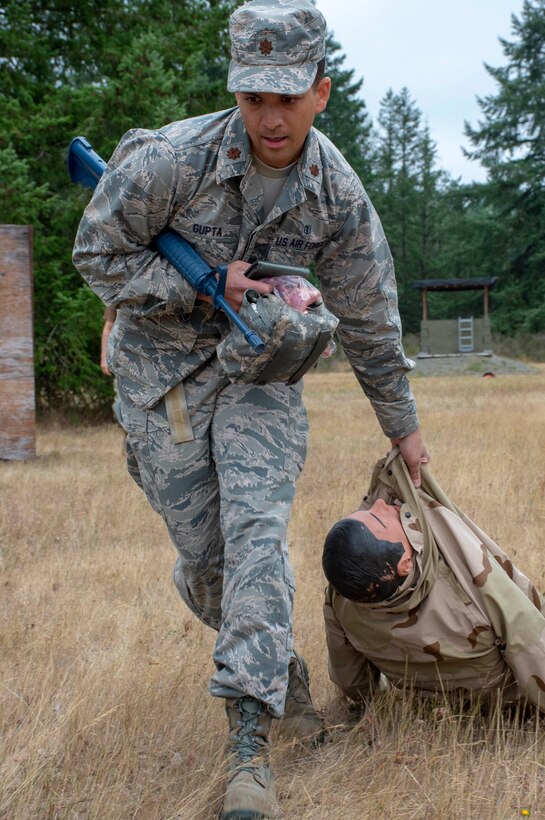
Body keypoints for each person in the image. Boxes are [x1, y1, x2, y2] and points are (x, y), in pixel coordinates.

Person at [72, 1, 428, 816]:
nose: (270, 117)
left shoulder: (336, 194)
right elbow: (97, 252)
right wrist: (199, 287)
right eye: (253, 97)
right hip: (161, 382)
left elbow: (370, 318)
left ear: (320, 92)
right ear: (235, 88)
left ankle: (249, 749)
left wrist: (403, 431)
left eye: (288, 97)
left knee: (257, 533)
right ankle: (285, 678)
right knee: (208, 563)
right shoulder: (170, 161)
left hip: (262, 378)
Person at [323, 449, 545, 718]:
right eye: (379, 517)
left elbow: (352, 681)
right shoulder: (466, 581)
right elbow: (529, 640)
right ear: (405, 563)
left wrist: (371, 702)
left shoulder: (342, 599)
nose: (381, 504)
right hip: (507, 700)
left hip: (435, 702)